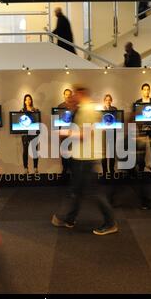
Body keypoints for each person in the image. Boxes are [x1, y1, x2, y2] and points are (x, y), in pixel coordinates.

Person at [52, 85, 118, 236]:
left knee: (93, 192)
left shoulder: (87, 110)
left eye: (75, 93)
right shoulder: (83, 109)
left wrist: (64, 132)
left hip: (86, 158)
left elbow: (85, 134)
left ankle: (110, 222)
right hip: (81, 156)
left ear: (81, 93)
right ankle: (69, 219)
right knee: (77, 190)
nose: (73, 96)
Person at [135, 83, 151, 172]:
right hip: (142, 129)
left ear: (150, 90)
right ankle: (141, 168)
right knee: (142, 149)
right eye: (144, 89)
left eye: (148, 89)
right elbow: (136, 117)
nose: (146, 91)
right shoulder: (138, 102)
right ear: (142, 91)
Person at [57, 89, 76, 174]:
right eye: (66, 94)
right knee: (64, 152)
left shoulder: (75, 107)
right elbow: (57, 120)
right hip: (63, 132)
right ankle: (65, 169)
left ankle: (72, 169)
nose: (68, 96)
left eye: (69, 94)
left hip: (73, 132)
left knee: (72, 151)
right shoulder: (60, 106)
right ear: (64, 95)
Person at [20, 94, 40, 174]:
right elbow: (20, 121)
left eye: (29, 99)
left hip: (34, 133)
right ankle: (25, 168)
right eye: (26, 99)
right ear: (24, 101)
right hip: (25, 133)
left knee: (35, 150)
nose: (28, 101)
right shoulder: (21, 111)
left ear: (31, 100)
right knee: (25, 150)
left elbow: (38, 121)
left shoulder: (36, 110)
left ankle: (35, 168)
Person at [101, 94, 118, 174]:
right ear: (104, 101)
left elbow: (117, 120)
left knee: (111, 153)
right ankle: (104, 171)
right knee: (104, 153)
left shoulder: (114, 109)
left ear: (111, 101)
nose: (108, 101)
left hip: (112, 133)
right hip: (103, 134)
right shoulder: (101, 110)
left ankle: (111, 170)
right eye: (106, 100)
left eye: (109, 100)